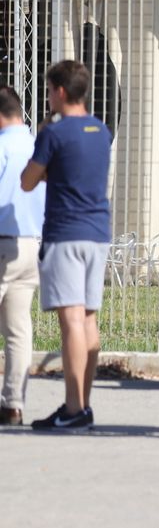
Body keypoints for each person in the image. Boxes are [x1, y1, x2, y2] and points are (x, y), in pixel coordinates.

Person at [21, 61, 111, 431]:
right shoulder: (100, 130)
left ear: (59, 90)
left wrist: (44, 136)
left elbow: (28, 181)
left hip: (66, 231)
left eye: (49, 90)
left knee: (71, 319)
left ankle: (73, 408)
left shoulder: (54, 134)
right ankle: (82, 404)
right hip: (98, 231)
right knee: (88, 317)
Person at [0, 85, 41, 425]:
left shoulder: (2, 147)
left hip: (3, 242)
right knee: (18, 328)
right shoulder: (37, 146)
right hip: (34, 244)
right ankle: (14, 404)